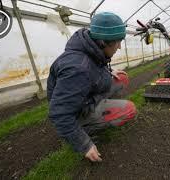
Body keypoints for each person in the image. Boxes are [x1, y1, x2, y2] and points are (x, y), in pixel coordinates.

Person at [47, 12, 137, 162]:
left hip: (87, 95)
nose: (120, 47)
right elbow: (59, 113)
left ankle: (101, 107)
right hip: (79, 111)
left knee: (121, 79)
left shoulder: (90, 47)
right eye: (118, 42)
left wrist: (110, 71)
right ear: (103, 42)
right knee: (129, 109)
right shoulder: (78, 70)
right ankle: (84, 128)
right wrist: (84, 144)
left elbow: (96, 64)